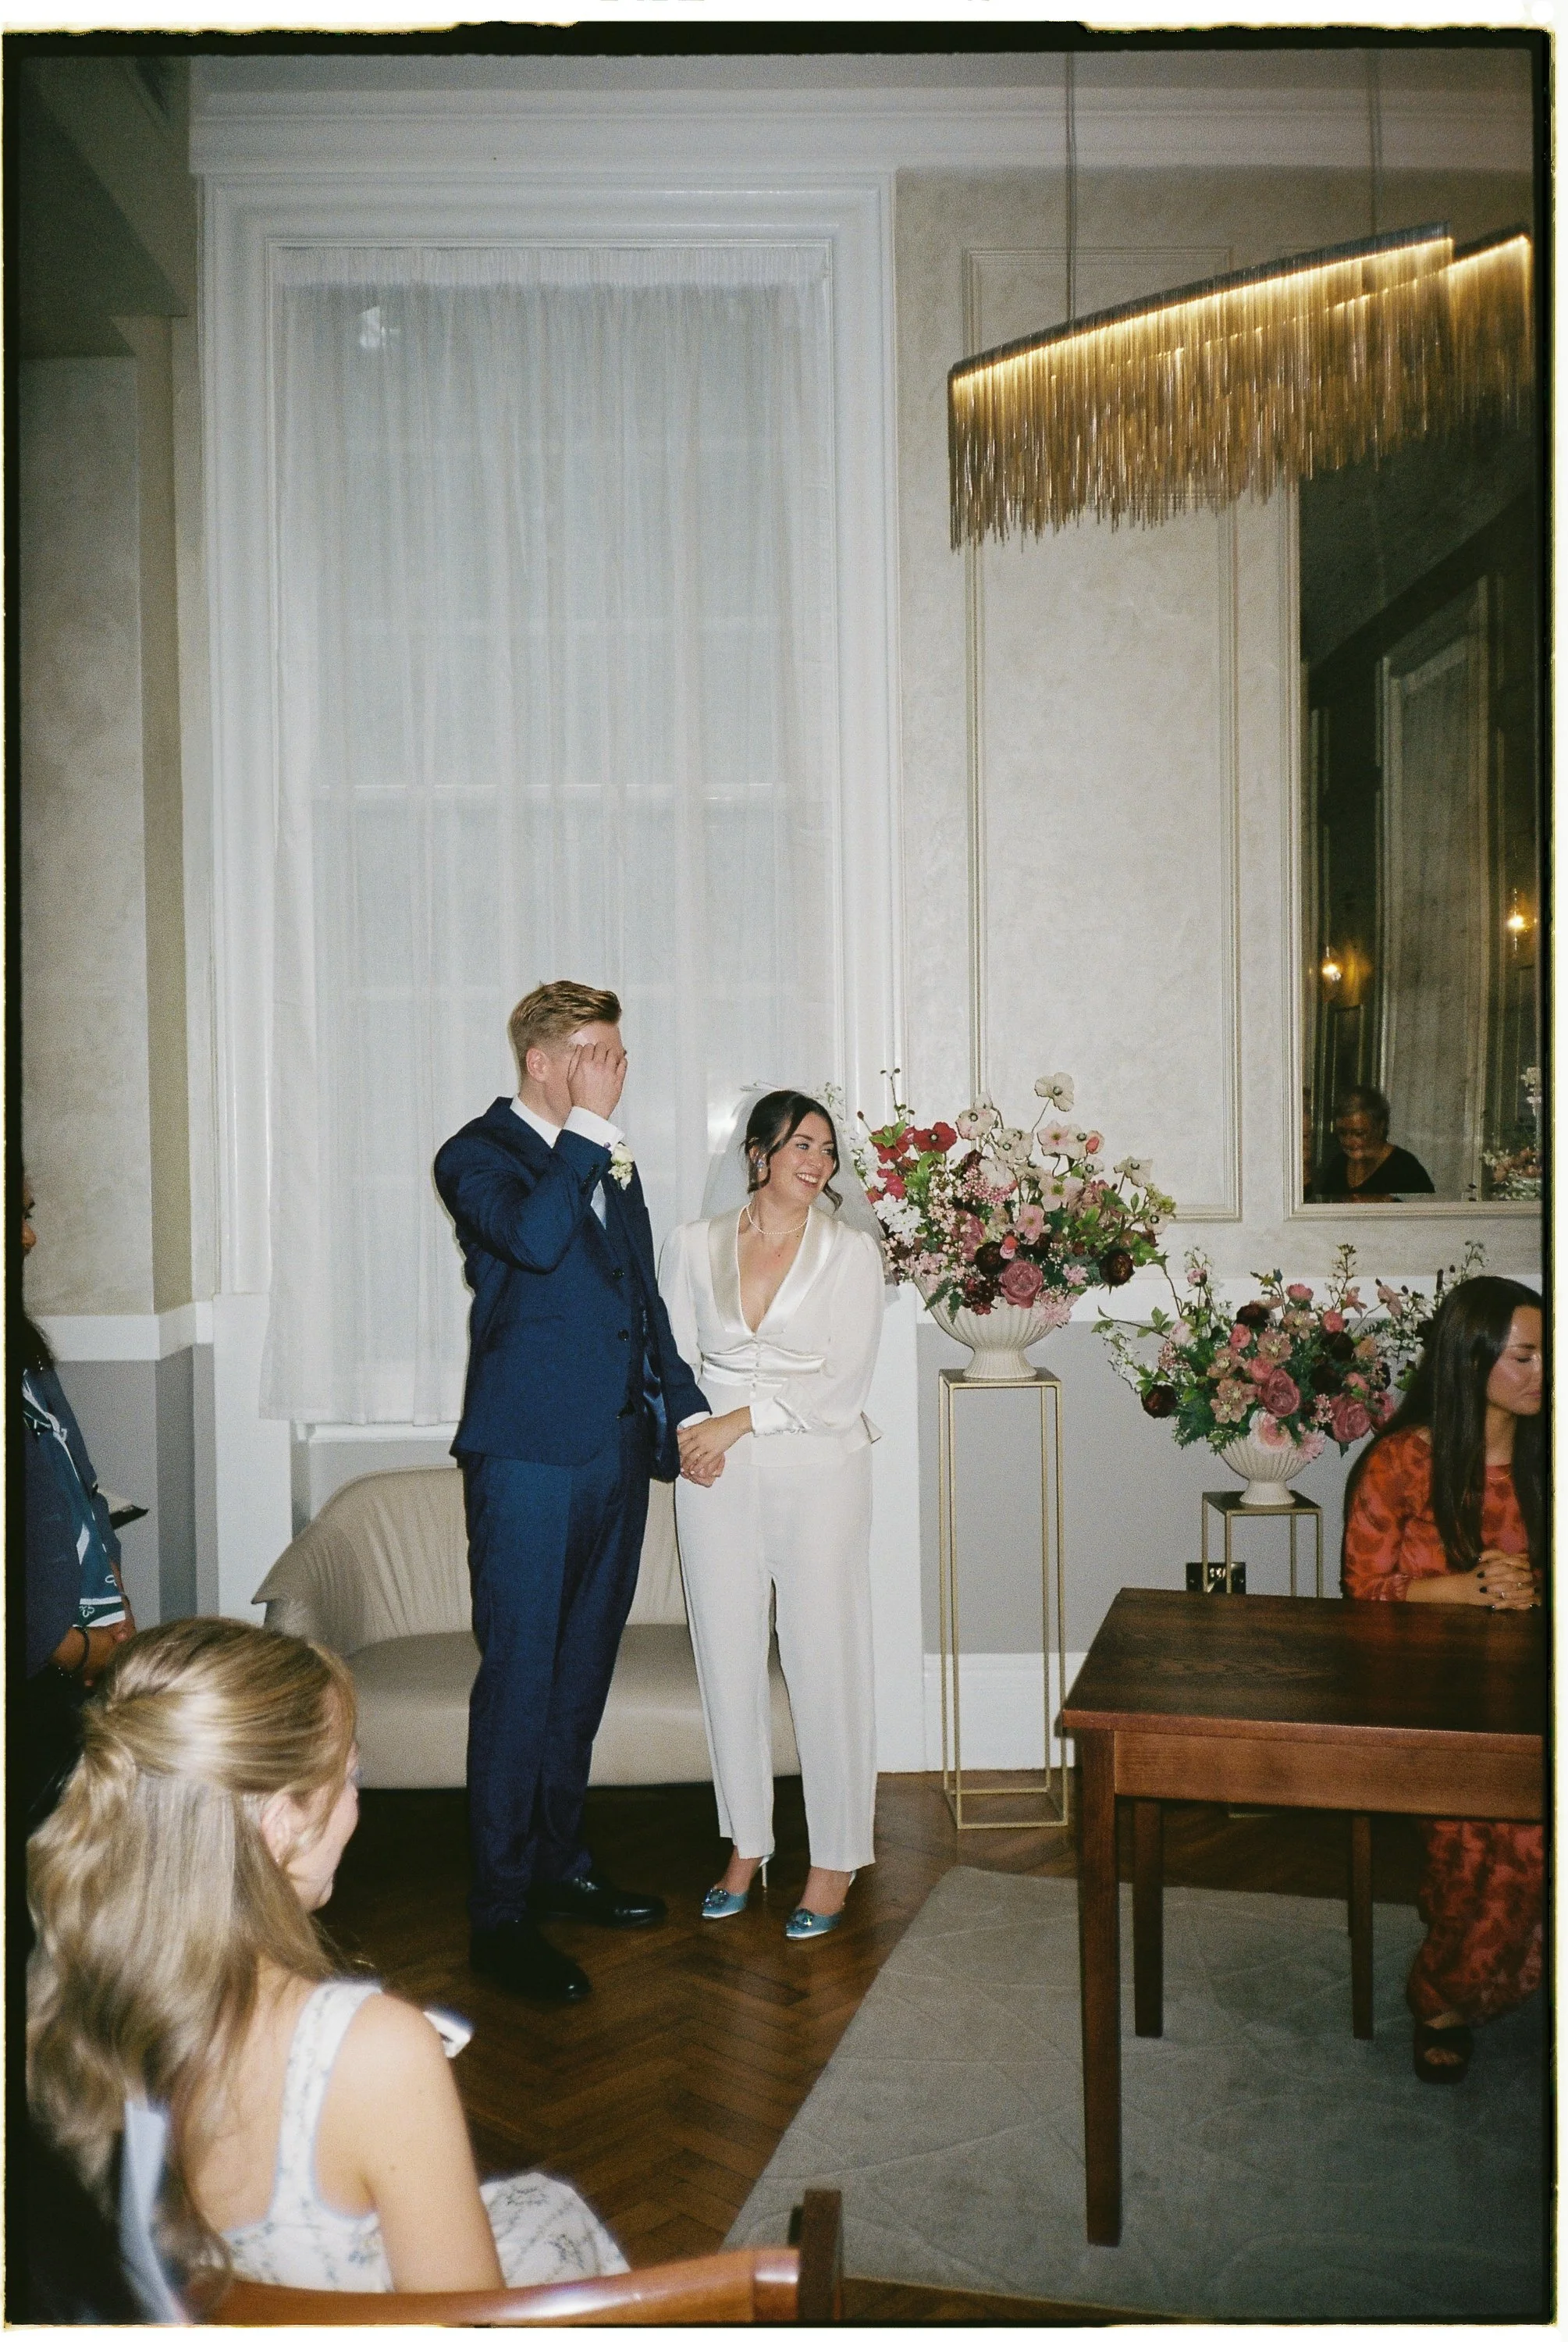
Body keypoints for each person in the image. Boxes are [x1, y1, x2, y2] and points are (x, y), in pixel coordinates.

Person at [27, 1618, 624, 2298]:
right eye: (350, 1777)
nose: (355, 1804)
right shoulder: (373, 2051)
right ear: (281, 1825)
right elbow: (471, 2320)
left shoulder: (63, 1981)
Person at [433, 981, 710, 2004]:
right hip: (526, 1457)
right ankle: (498, 1916)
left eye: (620, 1052)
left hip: (614, 1454)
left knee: (580, 1674)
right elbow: (539, 1241)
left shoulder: (610, 1159)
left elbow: (641, 1302)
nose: (617, 1067)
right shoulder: (476, 1155)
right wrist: (589, 1127)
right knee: (521, 1680)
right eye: (596, 1051)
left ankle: (559, 1867)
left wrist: (682, 1412)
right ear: (542, 1061)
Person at [660, 1091, 884, 1940]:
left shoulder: (850, 1254)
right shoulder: (692, 1244)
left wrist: (737, 1420)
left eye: (826, 1149)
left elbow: (841, 1386)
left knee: (823, 1656)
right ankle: (746, 1844)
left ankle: (833, 1858)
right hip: (712, 1475)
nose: (817, 1161)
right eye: (800, 1144)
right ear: (757, 1154)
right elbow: (671, 1357)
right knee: (724, 1654)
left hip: (818, 1472)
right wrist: (694, 1437)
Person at [1341, 1276, 1544, 2084]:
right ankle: (1441, 1995)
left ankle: (1471, 1973)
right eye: (1525, 1357)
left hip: (1531, 1691)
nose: (1544, 1373)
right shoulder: (1399, 1462)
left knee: (1529, 1829)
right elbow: (1362, 1594)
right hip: (1424, 1697)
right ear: (1472, 1362)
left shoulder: (1547, 1457)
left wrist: (1535, 1588)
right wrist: (1462, 1589)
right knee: (1492, 1836)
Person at [20, 1175, 136, 1832]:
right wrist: (68, 1648)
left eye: (29, 1215)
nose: (31, 1237)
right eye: (16, 1217)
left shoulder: (27, 1350)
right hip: (39, 1660)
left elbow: (79, 1480)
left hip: (73, 1652)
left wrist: (115, 1600)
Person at [1310, 1087, 1435, 1201]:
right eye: (1342, 1133)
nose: (1348, 1141)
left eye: (1359, 1133)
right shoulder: (1338, 1165)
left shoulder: (1406, 1168)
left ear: (1380, 1127)